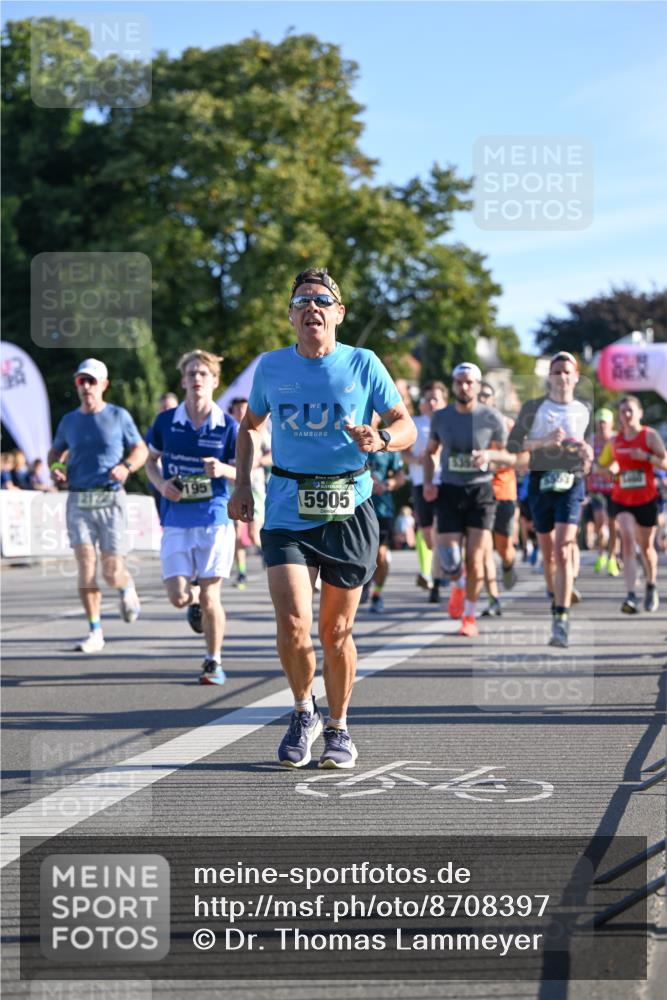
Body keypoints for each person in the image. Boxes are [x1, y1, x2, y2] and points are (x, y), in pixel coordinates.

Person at [228, 267, 416, 769]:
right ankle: (302, 709)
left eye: (321, 300)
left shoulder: (363, 363)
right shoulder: (270, 366)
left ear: (338, 313)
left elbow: (406, 425)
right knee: (292, 623)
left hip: (348, 506)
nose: (312, 307)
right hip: (288, 506)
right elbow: (249, 427)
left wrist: (383, 440)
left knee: (335, 632)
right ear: (291, 316)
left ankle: (339, 727)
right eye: (301, 301)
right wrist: (243, 481)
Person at [145, 350, 238, 684]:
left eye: (203, 374)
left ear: (214, 381)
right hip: (175, 519)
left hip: (214, 517)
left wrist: (224, 468)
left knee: (213, 595)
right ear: (183, 381)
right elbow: (150, 461)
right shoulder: (166, 422)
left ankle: (213, 661)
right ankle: (193, 598)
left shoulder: (227, 426)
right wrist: (161, 484)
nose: (197, 379)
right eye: (192, 374)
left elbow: (246, 468)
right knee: (178, 597)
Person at [47, 359, 147, 653]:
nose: (86, 387)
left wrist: (127, 466)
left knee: (111, 570)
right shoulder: (69, 421)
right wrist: (56, 466)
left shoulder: (118, 416)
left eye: (92, 381)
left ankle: (126, 587)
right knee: (85, 565)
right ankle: (95, 631)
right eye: (81, 381)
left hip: (110, 496)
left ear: (104, 385)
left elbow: (140, 449)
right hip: (78, 497)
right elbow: (55, 450)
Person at [507, 351, 593, 648]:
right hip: (541, 481)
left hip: (572, 482)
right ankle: (556, 591)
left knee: (564, 548)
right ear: (550, 376)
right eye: (557, 371)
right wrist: (544, 441)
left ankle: (561, 617)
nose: (562, 376)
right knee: (550, 555)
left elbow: (588, 448)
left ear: (576, 376)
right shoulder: (534, 408)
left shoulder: (584, 409)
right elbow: (514, 444)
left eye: (567, 371)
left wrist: (587, 454)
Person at [423, 362, 512, 638]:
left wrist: (490, 456)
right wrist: (428, 482)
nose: (464, 386)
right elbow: (430, 452)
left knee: (475, 560)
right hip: (449, 488)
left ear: (477, 384)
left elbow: (513, 456)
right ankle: (457, 583)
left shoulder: (492, 417)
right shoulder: (441, 417)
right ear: (453, 385)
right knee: (448, 556)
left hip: (481, 491)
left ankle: (469, 616)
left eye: (469, 382)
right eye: (459, 382)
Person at [598, 395, 666, 613]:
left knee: (646, 548)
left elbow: (665, 462)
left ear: (639, 413)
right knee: (626, 537)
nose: (626, 415)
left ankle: (651, 585)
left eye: (630, 411)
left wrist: (645, 457)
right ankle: (630, 595)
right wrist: (609, 470)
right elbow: (602, 465)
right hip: (621, 498)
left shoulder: (649, 436)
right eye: (622, 411)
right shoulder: (615, 441)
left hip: (646, 498)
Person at [403, 381, 448, 602]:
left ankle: (436, 583)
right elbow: (404, 455)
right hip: (421, 484)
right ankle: (442, 568)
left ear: (444, 402)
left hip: (445, 483)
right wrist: (416, 459)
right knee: (430, 538)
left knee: (441, 532)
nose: (431, 403)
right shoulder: (416, 423)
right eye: (428, 398)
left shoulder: (450, 423)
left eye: (436, 399)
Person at [477, 382, 518, 617]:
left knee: (504, 548)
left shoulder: (505, 425)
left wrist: (490, 461)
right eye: (479, 395)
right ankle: (494, 599)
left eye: (486, 396)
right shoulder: (467, 426)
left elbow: (514, 458)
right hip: (479, 493)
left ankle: (509, 564)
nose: (482, 399)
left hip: (504, 491)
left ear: (493, 400)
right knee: (484, 548)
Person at [227, 396, 272, 589]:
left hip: (256, 487)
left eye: (244, 409)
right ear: (232, 411)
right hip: (233, 485)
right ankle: (242, 572)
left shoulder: (260, 431)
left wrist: (257, 463)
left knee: (254, 534)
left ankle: (266, 555)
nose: (240, 412)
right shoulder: (228, 431)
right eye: (237, 409)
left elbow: (273, 455)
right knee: (237, 531)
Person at [363, 436, 405, 613]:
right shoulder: (349, 439)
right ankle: (363, 584)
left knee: (381, 554)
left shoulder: (386, 443)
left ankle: (377, 594)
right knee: (360, 554)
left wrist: (386, 485)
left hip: (382, 510)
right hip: (355, 507)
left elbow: (400, 477)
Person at [587, 407, 619, 577]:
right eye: (599, 423)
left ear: (611, 424)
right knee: (600, 522)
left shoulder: (616, 440)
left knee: (613, 525)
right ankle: (601, 553)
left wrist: (606, 469)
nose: (602, 427)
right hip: (597, 489)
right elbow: (587, 466)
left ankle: (612, 557)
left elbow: (619, 463)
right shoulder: (591, 440)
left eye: (604, 423)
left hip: (614, 489)